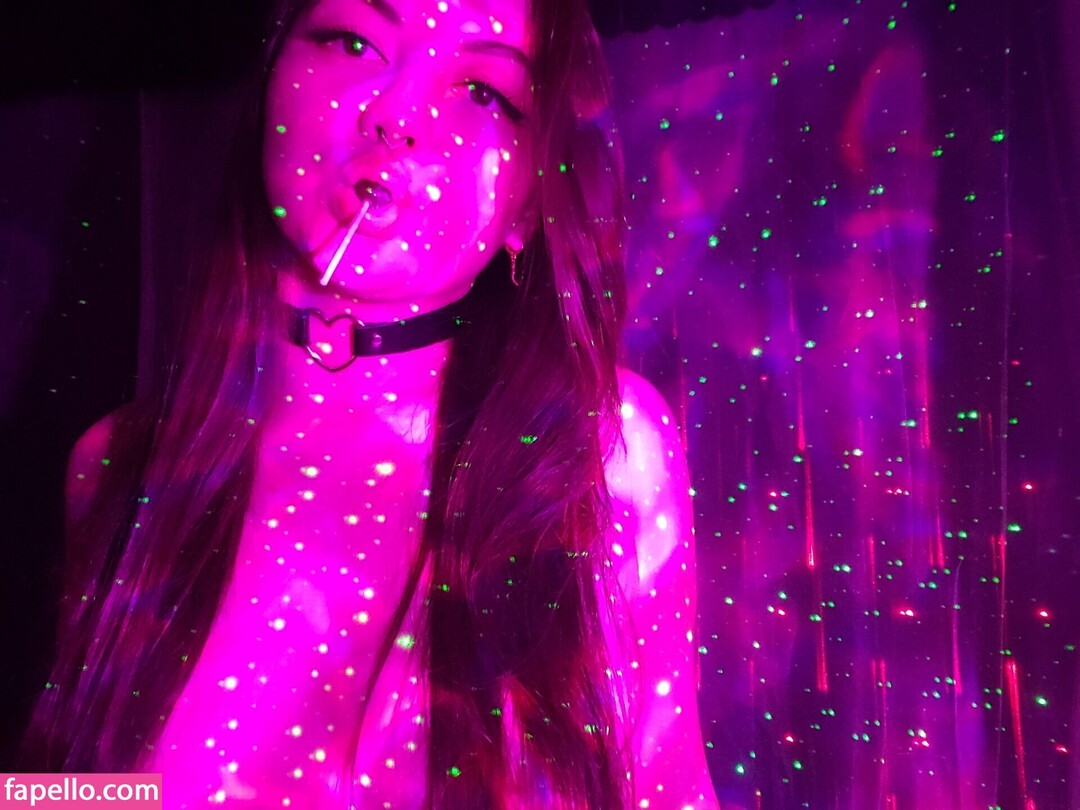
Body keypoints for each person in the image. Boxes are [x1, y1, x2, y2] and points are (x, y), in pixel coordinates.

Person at [26, 0, 720, 806]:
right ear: (270, 79)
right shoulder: (116, 468)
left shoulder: (600, 452)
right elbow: (72, 790)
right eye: (354, 41)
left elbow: (671, 790)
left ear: (532, 202)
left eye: (485, 93)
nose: (398, 115)